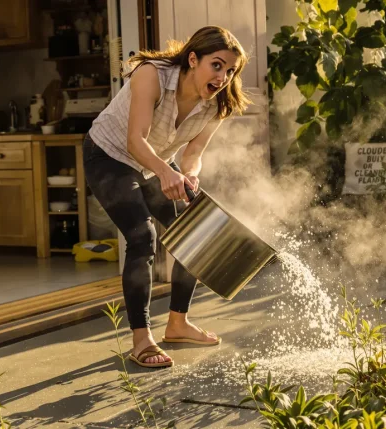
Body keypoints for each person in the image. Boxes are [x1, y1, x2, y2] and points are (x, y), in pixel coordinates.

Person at [83, 26, 250, 368]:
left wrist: (189, 174)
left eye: (231, 71)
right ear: (194, 59)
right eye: (217, 66)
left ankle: (177, 324)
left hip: (156, 160)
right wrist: (165, 172)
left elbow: (194, 153)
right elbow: (135, 141)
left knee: (194, 232)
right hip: (109, 156)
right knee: (142, 237)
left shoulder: (220, 103)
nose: (223, 77)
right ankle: (141, 338)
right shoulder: (152, 75)